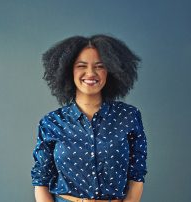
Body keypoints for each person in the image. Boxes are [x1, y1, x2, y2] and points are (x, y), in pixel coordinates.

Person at [31, 34, 147, 202]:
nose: (90, 73)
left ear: (111, 71)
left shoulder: (129, 117)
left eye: (100, 66)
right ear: (67, 70)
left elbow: (137, 177)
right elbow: (41, 181)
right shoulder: (51, 123)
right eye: (81, 65)